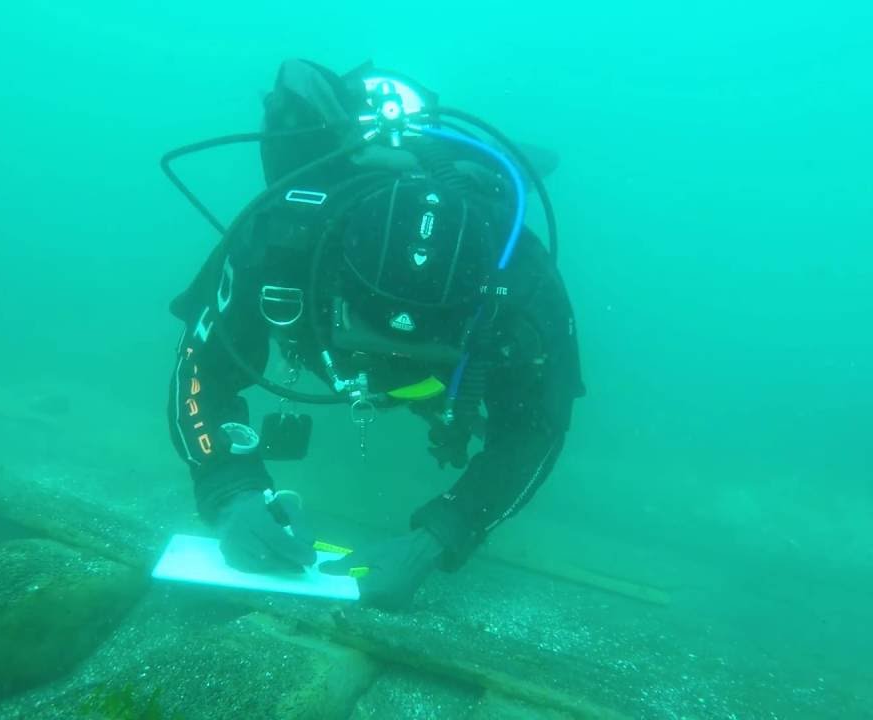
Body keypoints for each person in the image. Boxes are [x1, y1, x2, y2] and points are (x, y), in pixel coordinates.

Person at [163, 59, 584, 610]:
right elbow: (202, 368)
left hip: (443, 380)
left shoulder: (519, 278)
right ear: (329, 277)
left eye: (420, 336)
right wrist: (232, 489)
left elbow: (538, 426)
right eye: (370, 329)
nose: (390, 346)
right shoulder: (282, 240)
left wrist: (444, 533)